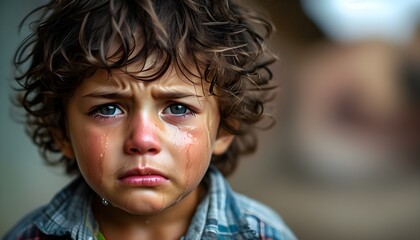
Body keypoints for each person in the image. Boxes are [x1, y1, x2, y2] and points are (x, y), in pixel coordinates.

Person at [4, 0, 296, 239]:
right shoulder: (29, 236)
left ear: (224, 129)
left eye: (178, 109)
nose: (142, 139)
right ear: (62, 133)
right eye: (108, 110)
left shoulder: (262, 235)